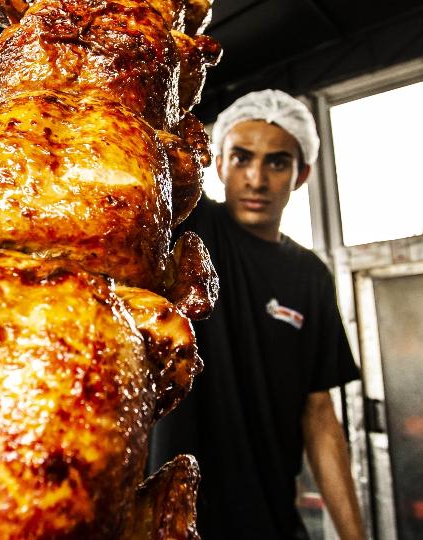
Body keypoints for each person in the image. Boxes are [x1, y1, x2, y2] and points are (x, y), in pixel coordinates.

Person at [151, 90, 365, 540]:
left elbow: (319, 414)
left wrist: (354, 535)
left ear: (301, 174)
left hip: (270, 520)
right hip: (168, 520)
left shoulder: (310, 275)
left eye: (277, 162)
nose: (257, 179)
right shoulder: (191, 228)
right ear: (219, 163)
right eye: (242, 157)